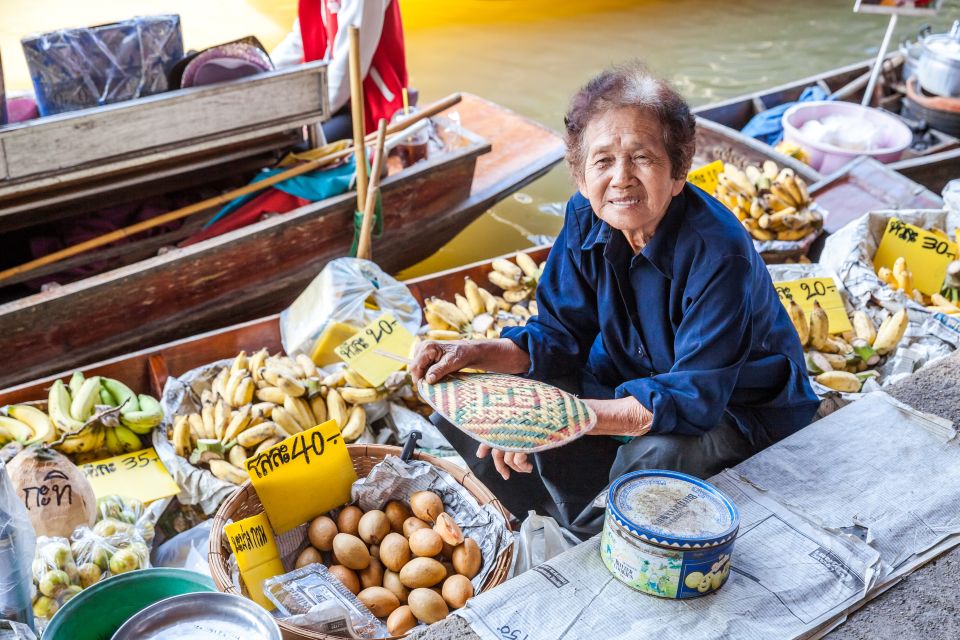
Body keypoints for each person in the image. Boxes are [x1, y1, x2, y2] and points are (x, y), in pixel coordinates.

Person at [410, 62, 820, 539]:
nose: (621, 178)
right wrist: (477, 352)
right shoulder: (585, 216)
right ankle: (534, 523)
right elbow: (558, 336)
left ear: (678, 170)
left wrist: (557, 420)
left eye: (642, 158)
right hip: (633, 376)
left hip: (738, 406)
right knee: (469, 411)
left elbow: (692, 400)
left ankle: (588, 547)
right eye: (602, 161)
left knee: (655, 458)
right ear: (581, 175)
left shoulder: (718, 252)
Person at [272, 0, 407, 140]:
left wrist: (309, 117)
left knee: (295, 147)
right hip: (335, 94)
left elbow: (348, 70)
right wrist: (263, 69)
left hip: (367, 106)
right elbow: (300, 39)